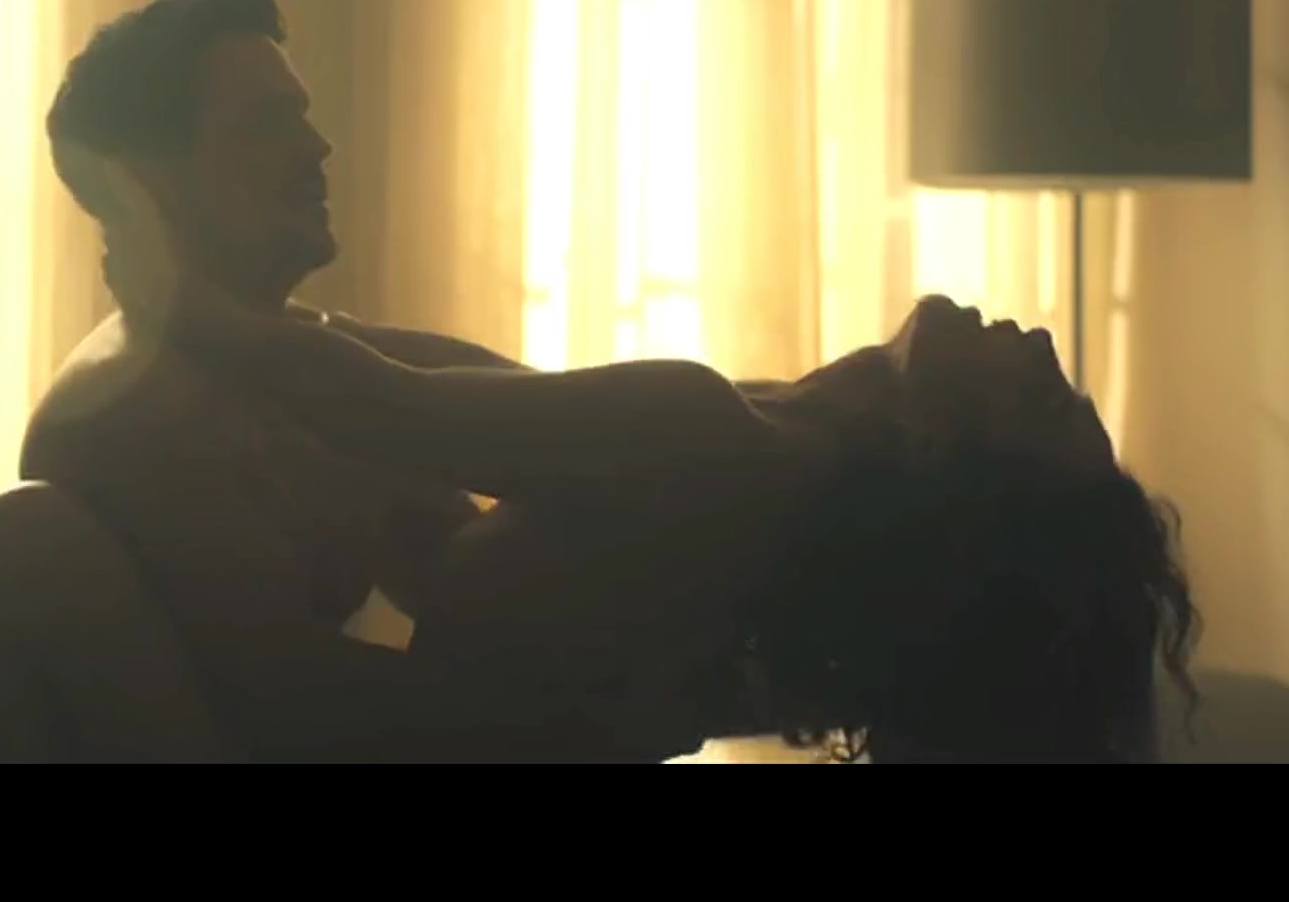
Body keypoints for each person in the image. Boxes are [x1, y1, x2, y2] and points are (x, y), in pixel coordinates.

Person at [140, 275, 1202, 763]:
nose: (1047, 346)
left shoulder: (715, 445)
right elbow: (450, 470)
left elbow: (380, 405)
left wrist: (170, 280)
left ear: (950, 464)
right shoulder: (749, 479)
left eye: (1046, 399)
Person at [4, 0, 554, 761]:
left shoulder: (297, 367)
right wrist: (598, 714)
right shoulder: (133, 416)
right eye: (267, 123)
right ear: (150, 182)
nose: (317, 148)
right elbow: (296, 712)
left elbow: (489, 555)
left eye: (302, 115)